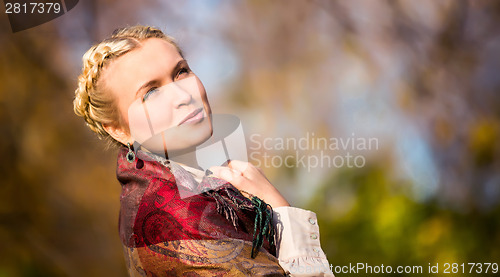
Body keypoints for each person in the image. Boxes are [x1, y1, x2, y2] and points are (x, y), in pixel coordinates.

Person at [74, 25, 334, 276]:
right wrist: (279, 211)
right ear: (118, 130)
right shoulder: (175, 217)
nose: (182, 95)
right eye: (151, 92)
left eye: (181, 72)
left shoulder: (169, 187)